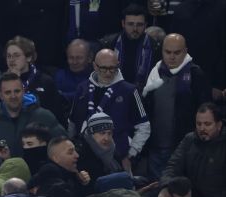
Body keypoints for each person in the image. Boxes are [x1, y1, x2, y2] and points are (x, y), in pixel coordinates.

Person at [67, 49, 150, 174]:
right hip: (84, 156)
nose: (108, 73)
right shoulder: (82, 89)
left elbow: (144, 126)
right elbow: (72, 122)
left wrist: (131, 154)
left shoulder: (129, 91)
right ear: (95, 66)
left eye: (112, 68)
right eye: (103, 68)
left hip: (116, 158)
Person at [143, 32, 213, 177]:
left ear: (185, 51)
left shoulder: (196, 75)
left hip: (183, 147)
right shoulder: (154, 73)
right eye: (168, 52)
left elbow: (206, 111)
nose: (172, 56)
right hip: (155, 145)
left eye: (177, 52)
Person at [162, 103, 225, 197]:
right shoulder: (189, 140)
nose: (202, 128)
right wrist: (165, 188)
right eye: (199, 124)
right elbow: (172, 166)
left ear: (219, 125)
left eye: (207, 124)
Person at [0, 72, 66, 158]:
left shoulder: (44, 117)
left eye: (17, 91)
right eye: (8, 92)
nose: (13, 96)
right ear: (1, 95)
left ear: (23, 91)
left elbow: (64, 147)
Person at [100, 3, 157, 91]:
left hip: (144, 94)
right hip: (112, 92)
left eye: (139, 24)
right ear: (123, 24)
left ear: (145, 25)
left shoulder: (154, 47)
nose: (135, 29)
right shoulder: (110, 43)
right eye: (130, 24)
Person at [4, 35, 62, 121]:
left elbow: (57, 115)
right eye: (9, 56)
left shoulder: (45, 82)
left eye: (16, 56)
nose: (11, 60)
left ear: (29, 57)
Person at [55, 39, 93, 112]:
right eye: (71, 58)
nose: (74, 62)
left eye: (79, 58)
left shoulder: (96, 77)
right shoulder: (60, 75)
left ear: (89, 58)